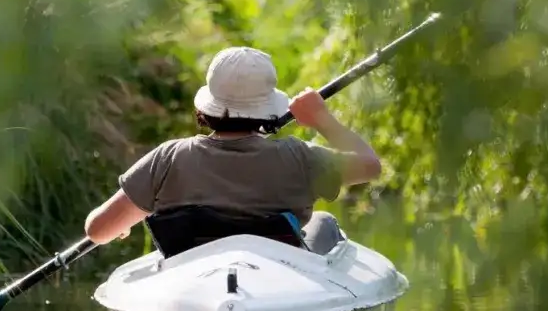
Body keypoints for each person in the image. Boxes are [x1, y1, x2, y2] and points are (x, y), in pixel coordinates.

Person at [83, 45, 382, 254]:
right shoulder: (301, 158)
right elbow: (371, 165)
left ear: (206, 107)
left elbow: (97, 231)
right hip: (279, 281)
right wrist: (322, 120)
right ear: (270, 109)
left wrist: (120, 227)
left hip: (196, 281)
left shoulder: (168, 158)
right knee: (325, 223)